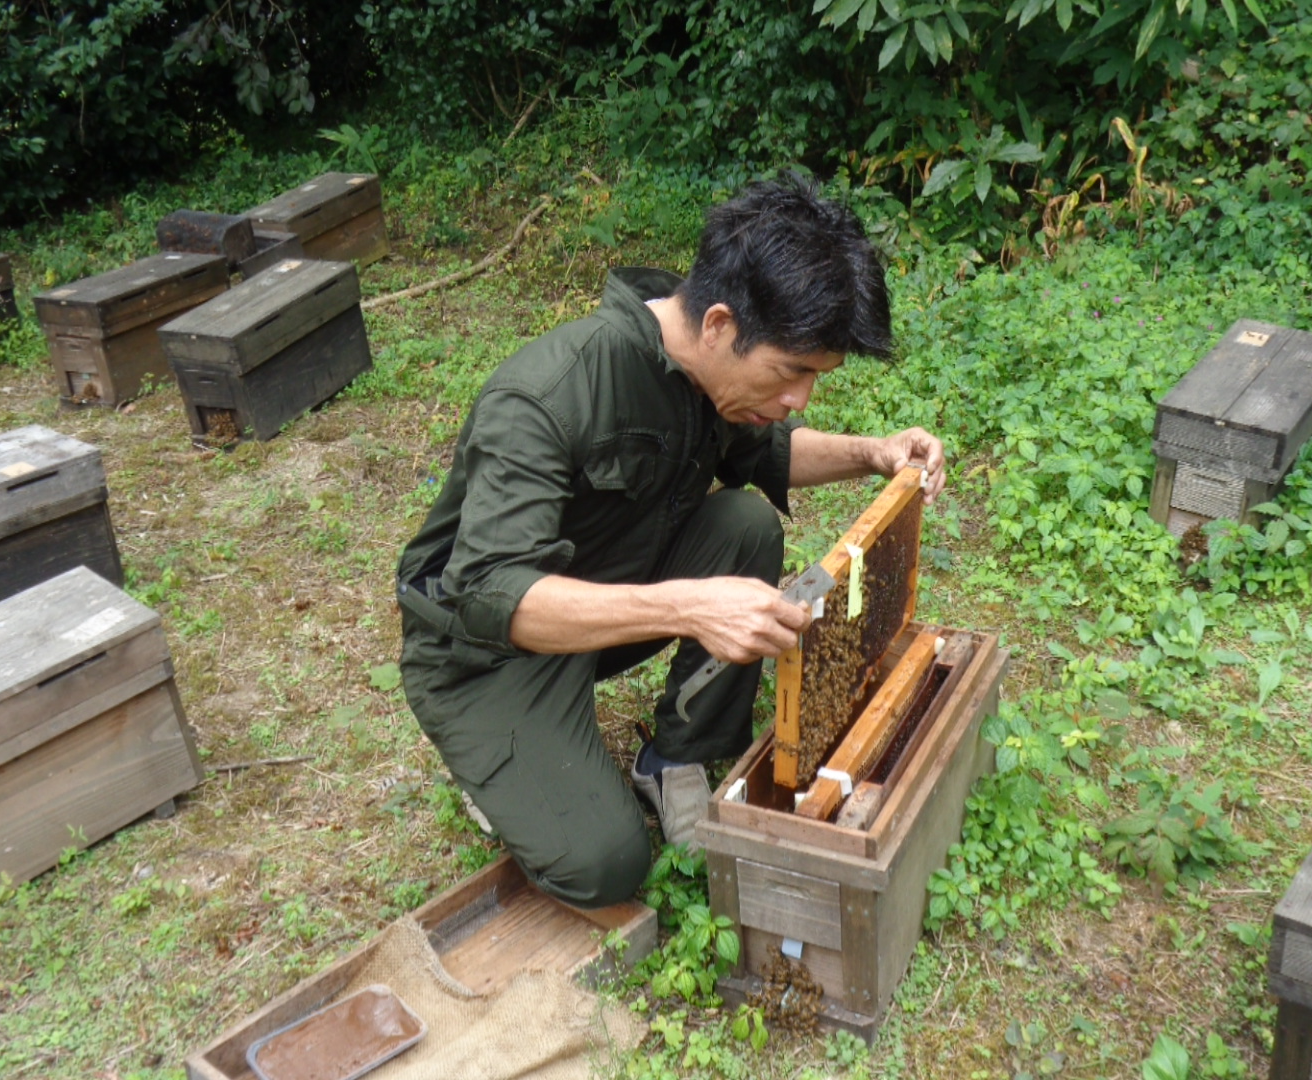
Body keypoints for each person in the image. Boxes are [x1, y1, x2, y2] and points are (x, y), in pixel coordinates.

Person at [395, 174, 946, 909]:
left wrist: (874, 452)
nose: (799, 399)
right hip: (483, 652)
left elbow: (771, 453)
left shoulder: (708, 371)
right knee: (607, 864)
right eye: (792, 373)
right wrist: (689, 607)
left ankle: (674, 758)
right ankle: (496, 763)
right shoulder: (546, 394)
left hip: (595, 590)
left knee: (744, 524)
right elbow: (492, 593)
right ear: (718, 324)